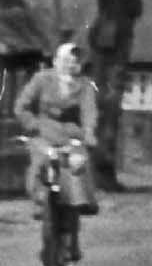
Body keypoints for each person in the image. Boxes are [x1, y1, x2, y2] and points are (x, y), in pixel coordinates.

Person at [16, 36, 97, 204]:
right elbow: (21, 106)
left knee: (79, 162)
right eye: (66, 60)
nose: (71, 65)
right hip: (42, 132)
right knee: (41, 159)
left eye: (75, 61)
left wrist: (89, 131)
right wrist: (32, 124)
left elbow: (89, 110)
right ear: (56, 61)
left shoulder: (85, 85)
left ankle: (82, 201)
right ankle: (39, 198)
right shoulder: (41, 79)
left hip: (71, 134)